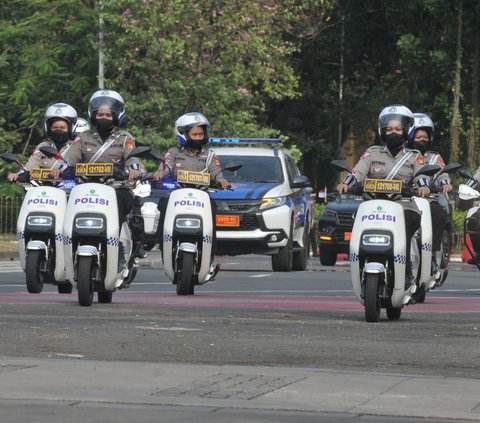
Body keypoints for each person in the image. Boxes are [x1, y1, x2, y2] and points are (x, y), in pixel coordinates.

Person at [337, 105, 430, 289]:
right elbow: (358, 172)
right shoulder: (372, 152)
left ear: (406, 131)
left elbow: (421, 176)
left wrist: (423, 187)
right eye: (389, 129)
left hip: (403, 206)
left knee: (410, 222)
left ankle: (406, 269)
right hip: (374, 205)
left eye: (397, 129)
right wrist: (346, 184)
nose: (393, 132)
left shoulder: (415, 156)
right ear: (382, 131)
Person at [60, 89, 146, 259]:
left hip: (116, 189)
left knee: (122, 202)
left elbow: (132, 158)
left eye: (108, 115)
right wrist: (60, 169)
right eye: (100, 115)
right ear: (93, 115)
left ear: (116, 116)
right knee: (65, 204)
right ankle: (65, 250)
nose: (104, 118)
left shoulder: (124, 138)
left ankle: (119, 246)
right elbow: (69, 159)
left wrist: (135, 170)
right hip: (85, 189)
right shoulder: (82, 137)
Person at [153, 112, 230, 264]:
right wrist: (160, 173)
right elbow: (166, 167)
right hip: (176, 194)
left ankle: (209, 256)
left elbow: (216, 173)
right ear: (183, 134)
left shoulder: (210, 155)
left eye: (201, 134)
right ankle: (163, 245)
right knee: (163, 205)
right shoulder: (173, 152)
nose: (198, 138)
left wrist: (222, 181)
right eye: (194, 134)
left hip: (202, 196)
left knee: (213, 209)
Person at [407, 112, 451, 278]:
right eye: (418, 136)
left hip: (427, 201)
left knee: (439, 214)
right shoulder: (404, 155)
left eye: (425, 136)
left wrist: (445, 183)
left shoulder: (435, 157)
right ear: (411, 137)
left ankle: (432, 255)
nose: (422, 140)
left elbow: (443, 173)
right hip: (403, 199)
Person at [8, 102, 78, 182]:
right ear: (49, 128)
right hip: (46, 188)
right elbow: (32, 165)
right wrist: (19, 174)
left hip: (71, 189)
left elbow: (81, 166)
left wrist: (63, 171)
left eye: (62, 128)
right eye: (55, 128)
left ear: (70, 128)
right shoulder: (43, 146)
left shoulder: (76, 145)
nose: (58, 130)